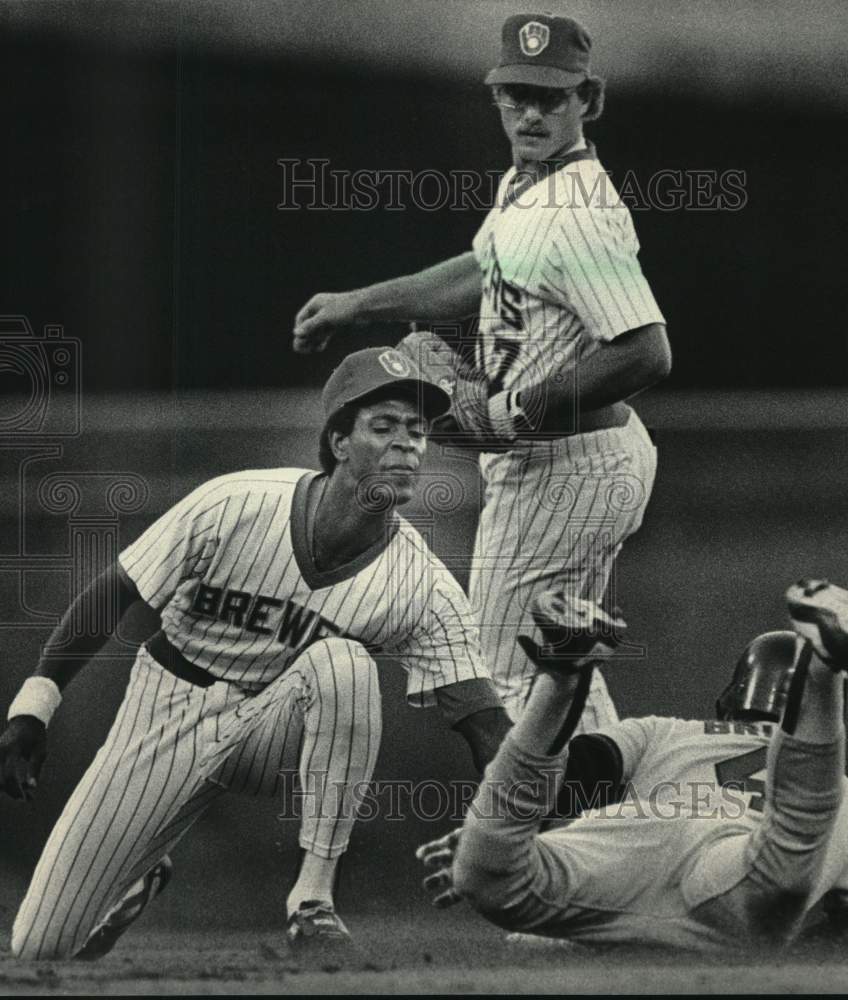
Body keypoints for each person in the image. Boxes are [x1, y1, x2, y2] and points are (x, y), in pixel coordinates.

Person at [0, 346, 513, 960]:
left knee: (342, 664)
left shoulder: (423, 586)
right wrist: (35, 704)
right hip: (164, 710)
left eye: (416, 430)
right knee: (39, 949)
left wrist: (504, 831)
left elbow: (488, 728)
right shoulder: (239, 503)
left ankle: (314, 902)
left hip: (275, 731)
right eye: (383, 426)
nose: (407, 444)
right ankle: (137, 869)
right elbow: (116, 593)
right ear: (339, 442)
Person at [292, 12, 672, 731]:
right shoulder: (529, 182)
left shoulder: (575, 212)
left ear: (589, 101)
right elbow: (478, 269)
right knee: (558, 674)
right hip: (566, 464)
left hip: (568, 470)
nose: (529, 111)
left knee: (498, 676)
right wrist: (359, 303)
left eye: (550, 97)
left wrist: (504, 413)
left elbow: (645, 350)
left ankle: (520, 844)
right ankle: (614, 828)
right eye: (514, 94)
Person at [417, 580, 848, 950]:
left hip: (632, 840)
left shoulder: (663, 731)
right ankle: (824, 669)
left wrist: (497, 836)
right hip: (733, 863)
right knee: (785, 865)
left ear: (730, 699)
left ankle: (562, 677)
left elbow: (563, 783)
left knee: (488, 880)